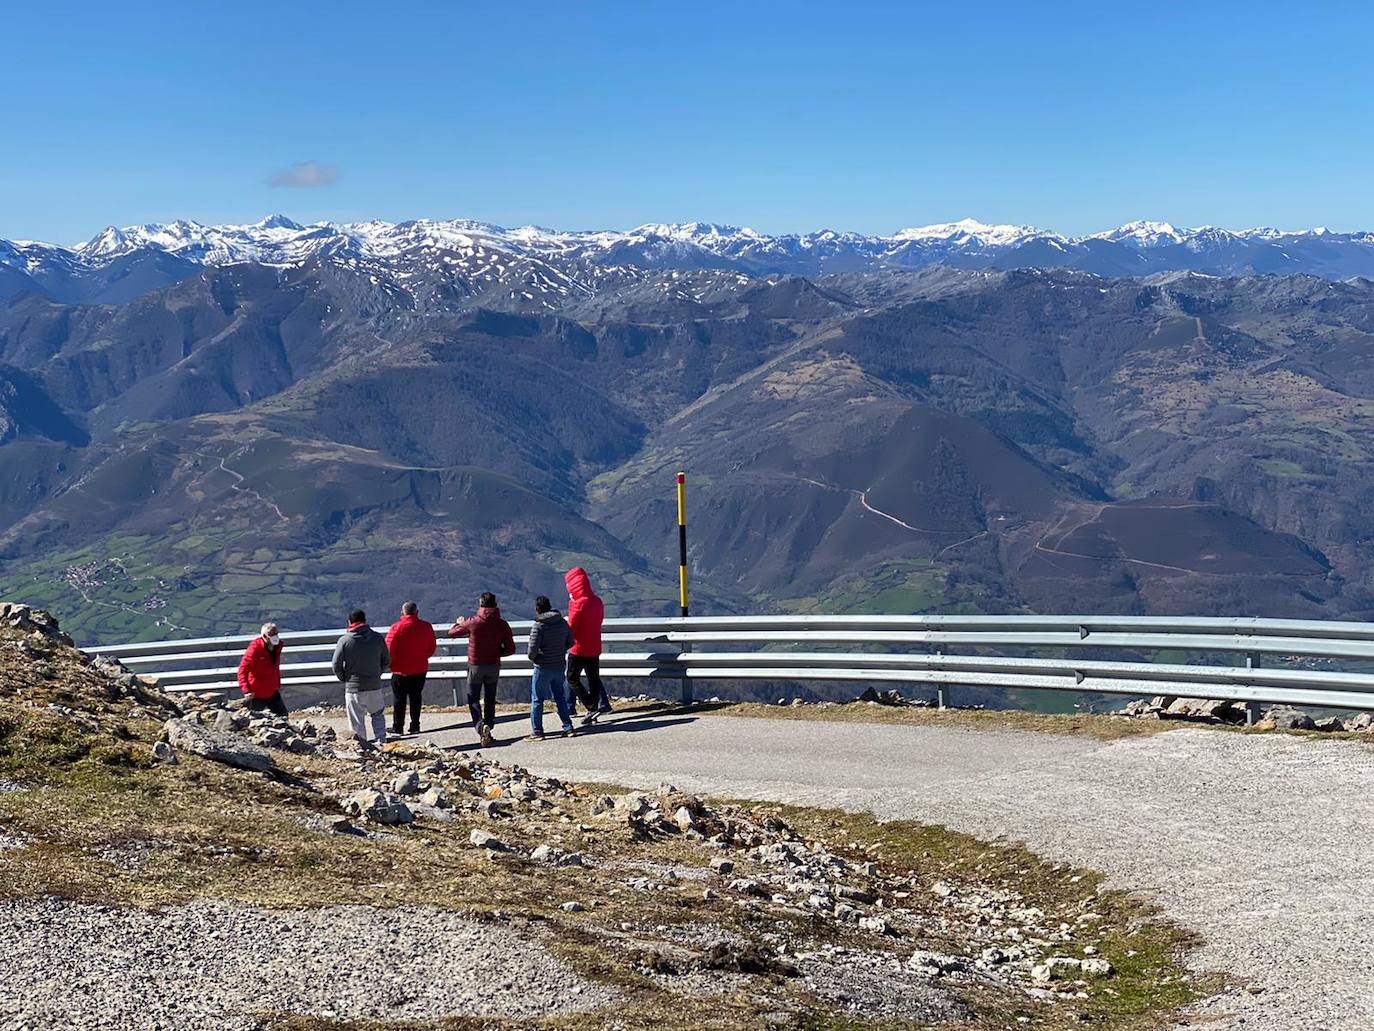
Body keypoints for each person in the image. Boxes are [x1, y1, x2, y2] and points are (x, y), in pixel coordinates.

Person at [447, 592, 516, 748]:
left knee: (473, 698)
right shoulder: (502, 624)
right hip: (493, 665)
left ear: (480, 604)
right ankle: (489, 727)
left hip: (476, 666)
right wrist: (497, 653)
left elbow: (452, 633)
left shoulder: (473, 622)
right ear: (496, 605)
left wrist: (458, 623)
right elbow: (511, 649)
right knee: (490, 698)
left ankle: (480, 727)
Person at [332, 608, 391, 750]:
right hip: (374, 685)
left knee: (357, 721)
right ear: (365, 621)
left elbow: (336, 664)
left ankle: (362, 748)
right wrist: (378, 673)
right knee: (377, 715)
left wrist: (345, 678)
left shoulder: (345, 640)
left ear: (349, 622)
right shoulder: (377, 638)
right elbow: (386, 660)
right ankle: (382, 743)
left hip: (354, 687)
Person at [565, 567, 611, 725]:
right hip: (594, 646)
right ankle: (596, 706)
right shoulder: (597, 601)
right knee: (593, 679)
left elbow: (571, 628)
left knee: (572, 677)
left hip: (578, 648)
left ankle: (591, 706)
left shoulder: (577, 604)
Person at [527, 595, 575, 740]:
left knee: (537, 699)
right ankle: (568, 727)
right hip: (559, 664)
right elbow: (571, 642)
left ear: (537, 609)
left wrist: (538, 657)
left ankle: (537, 732)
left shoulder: (538, 626)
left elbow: (531, 652)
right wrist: (559, 651)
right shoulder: (562, 622)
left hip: (542, 667)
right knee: (560, 696)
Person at [385, 601, 436, 736]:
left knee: (399, 699)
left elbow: (389, 649)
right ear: (417, 612)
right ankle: (415, 725)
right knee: (416, 697)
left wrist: (391, 664)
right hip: (419, 669)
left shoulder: (396, 628)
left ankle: (398, 727)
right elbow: (431, 648)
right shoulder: (426, 627)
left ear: (402, 613)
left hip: (399, 670)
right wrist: (422, 657)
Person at [237, 621, 287, 716]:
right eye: (271, 634)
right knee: (251, 718)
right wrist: (246, 690)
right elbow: (242, 670)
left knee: (283, 716)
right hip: (257, 693)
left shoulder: (277, 647)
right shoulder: (255, 649)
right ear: (264, 636)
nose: (275, 636)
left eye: (276, 633)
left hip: (272, 690)